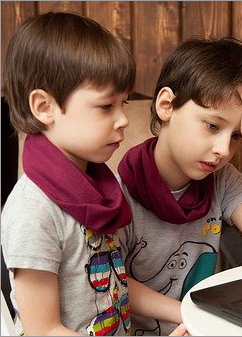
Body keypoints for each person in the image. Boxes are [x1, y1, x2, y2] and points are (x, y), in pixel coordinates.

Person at [1, 12, 188, 336]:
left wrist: (190, 313)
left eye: (123, 103)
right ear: (44, 107)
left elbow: (115, 283)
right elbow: (43, 330)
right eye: (105, 107)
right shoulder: (34, 211)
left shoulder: (100, 190)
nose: (123, 120)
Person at [117, 37, 242, 335]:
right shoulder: (117, 192)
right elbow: (117, 281)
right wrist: (188, 315)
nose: (223, 150)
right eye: (213, 126)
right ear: (166, 106)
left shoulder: (223, 180)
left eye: (236, 136)